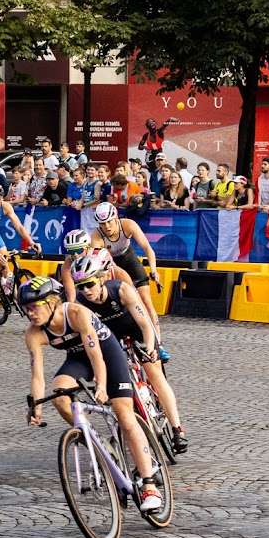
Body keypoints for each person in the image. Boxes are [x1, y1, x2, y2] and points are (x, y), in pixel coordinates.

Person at [19, 275, 163, 513]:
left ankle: (149, 486)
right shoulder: (33, 333)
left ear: (52, 302)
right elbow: (37, 375)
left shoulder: (76, 313)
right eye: (26, 309)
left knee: (124, 415)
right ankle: (97, 441)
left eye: (34, 307)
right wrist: (36, 406)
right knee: (59, 392)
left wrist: (102, 386)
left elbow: (96, 355)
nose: (30, 314)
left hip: (106, 353)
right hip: (77, 358)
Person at [71, 249, 188, 454]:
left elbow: (145, 324)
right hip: (111, 339)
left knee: (154, 373)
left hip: (136, 330)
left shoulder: (121, 290)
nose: (86, 290)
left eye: (90, 284)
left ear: (101, 279)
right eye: (81, 287)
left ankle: (177, 429)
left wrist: (152, 348)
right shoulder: (81, 304)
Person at [90, 201, 165, 359]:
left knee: (145, 300)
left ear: (116, 218)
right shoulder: (96, 236)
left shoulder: (128, 225)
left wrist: (153, 270)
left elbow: (147, 248)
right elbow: (100, 264)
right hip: (111, 265)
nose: (107, 227)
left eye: (109, 222)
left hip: (129, 259)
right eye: (102, 224)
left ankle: (159, 343)